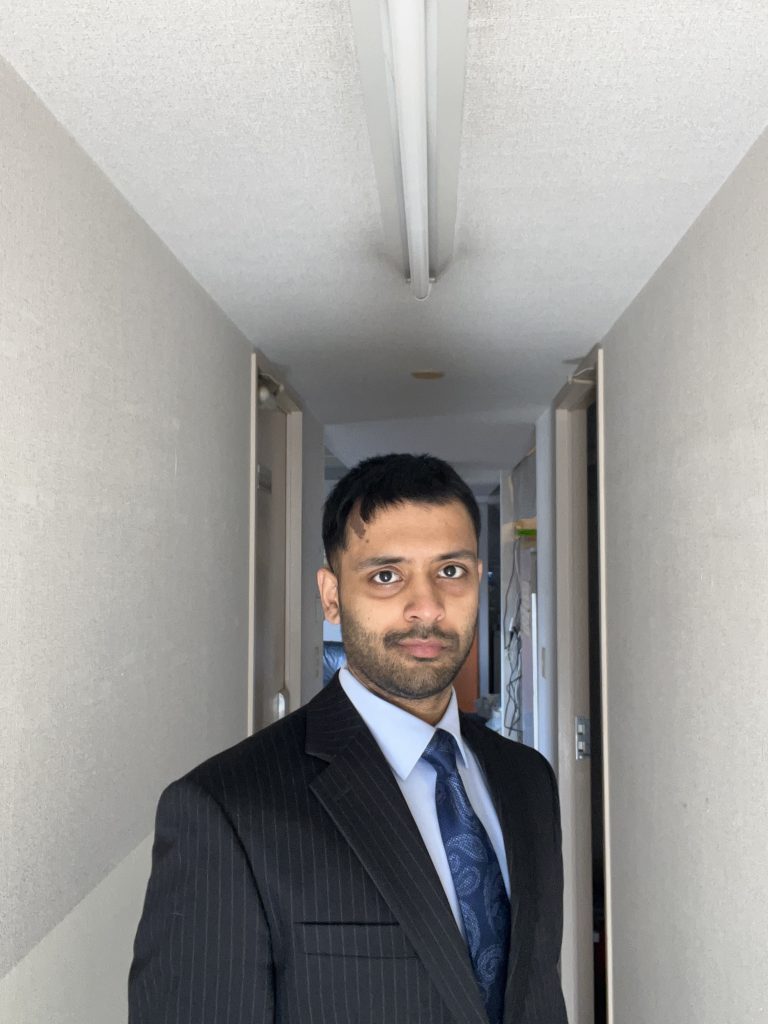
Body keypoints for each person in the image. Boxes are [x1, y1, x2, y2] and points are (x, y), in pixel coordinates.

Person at [128, 453, 567, 1024]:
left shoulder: (528, 779)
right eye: (386, 576)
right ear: (332, 596)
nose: (427, 608)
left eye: (450, 571)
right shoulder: (225, 810)